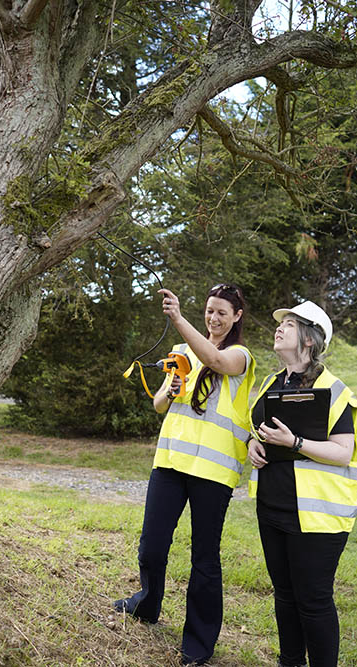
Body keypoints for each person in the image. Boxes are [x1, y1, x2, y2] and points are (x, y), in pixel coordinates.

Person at [115, 283, 257, 666]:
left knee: (204, 558)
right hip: (171, 463)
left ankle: (198, 642)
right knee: (152, 544)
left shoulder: (241, 356)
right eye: (209, 310)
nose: (213, 318)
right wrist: (171, 389)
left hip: (213, 470)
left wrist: (177, 318)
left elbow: (213, 360)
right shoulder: (180, 351)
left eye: (222, 313)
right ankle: (146, 604)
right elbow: (160, 404)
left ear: (236, 317)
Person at [246, 301, 357, 667]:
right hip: (272, 506)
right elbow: (260, 430)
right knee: (284, 594)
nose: (279, 328)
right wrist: (254, 443)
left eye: (291, 325)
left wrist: (295, 443)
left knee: (312, 600)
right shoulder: (272, 382)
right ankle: (290, 661)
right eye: (281, 323)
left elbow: (343, 452)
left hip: (317, 517)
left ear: (310, 340)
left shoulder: (333, 390)